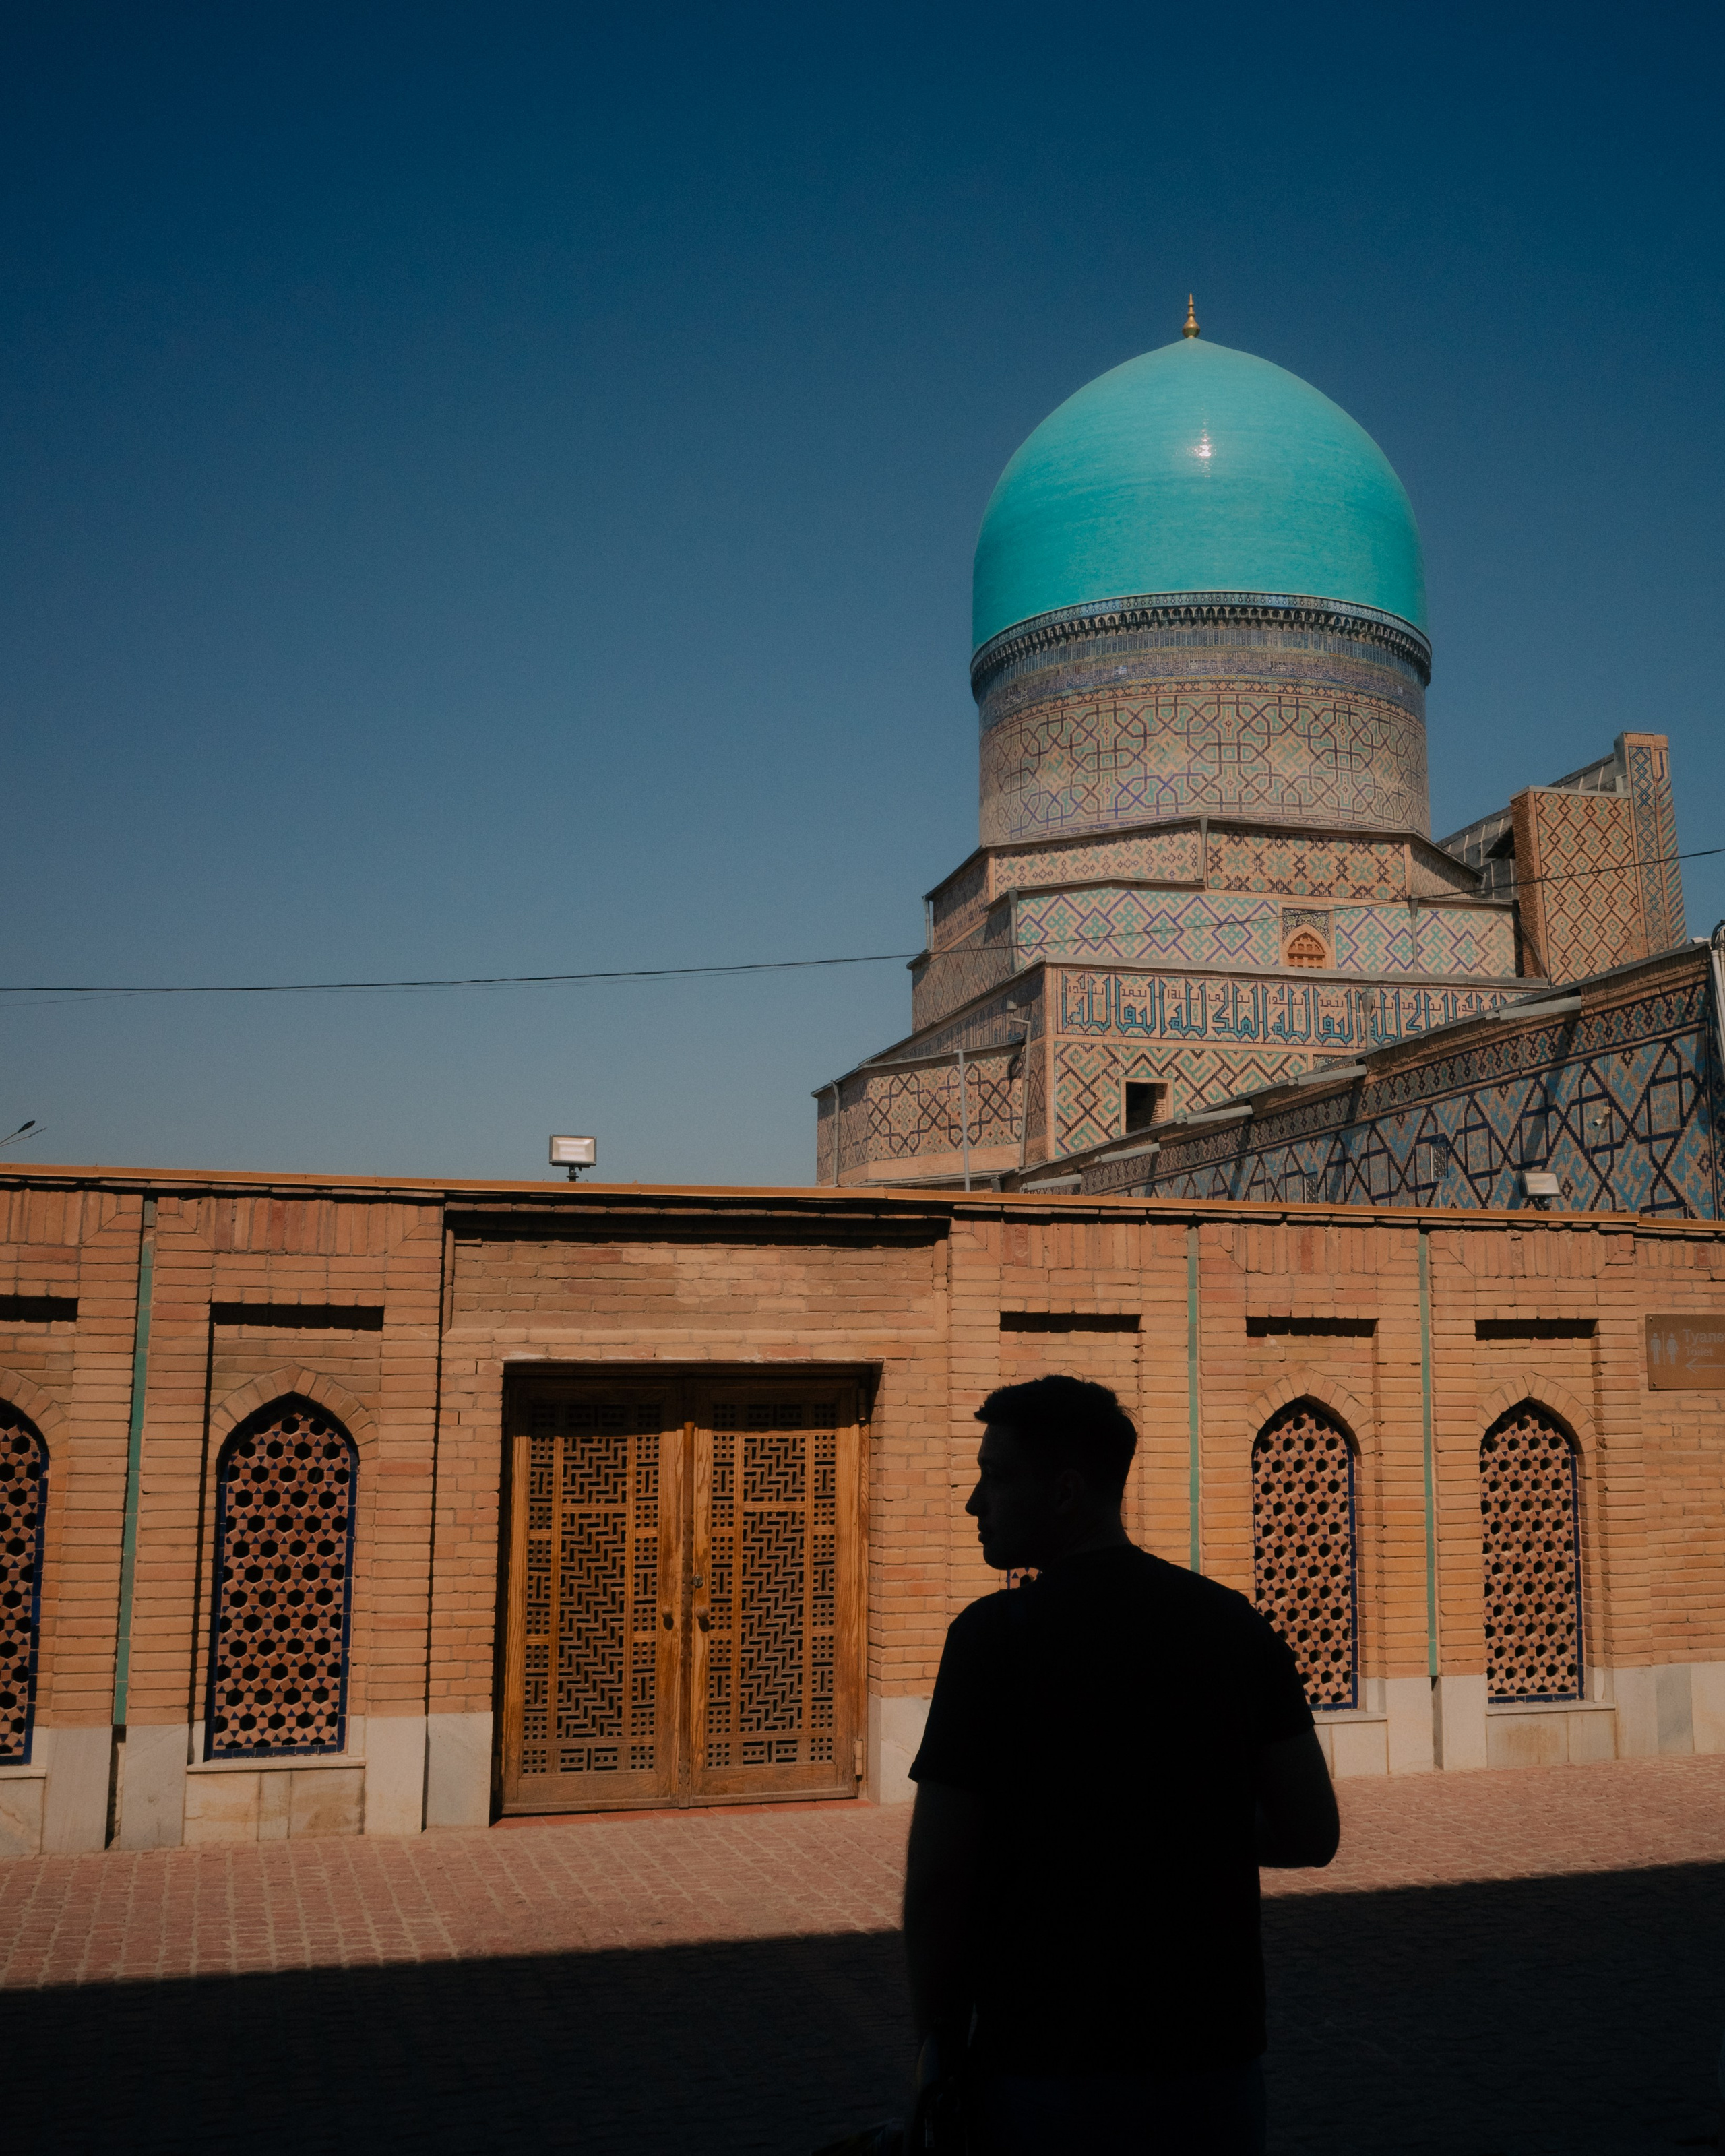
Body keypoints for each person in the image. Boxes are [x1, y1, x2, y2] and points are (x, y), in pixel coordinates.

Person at [902, 1375, 1340, 2155]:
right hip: (1210, 2063)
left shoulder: (994, 1639)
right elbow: (1310, 1829)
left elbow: (940, 1876)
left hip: (1045, 2063)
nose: (974, 1502)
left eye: (995, 1477)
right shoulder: (1228, 1623)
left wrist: (938, 2042)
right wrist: (1181, 1822)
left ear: (1065, 1490)